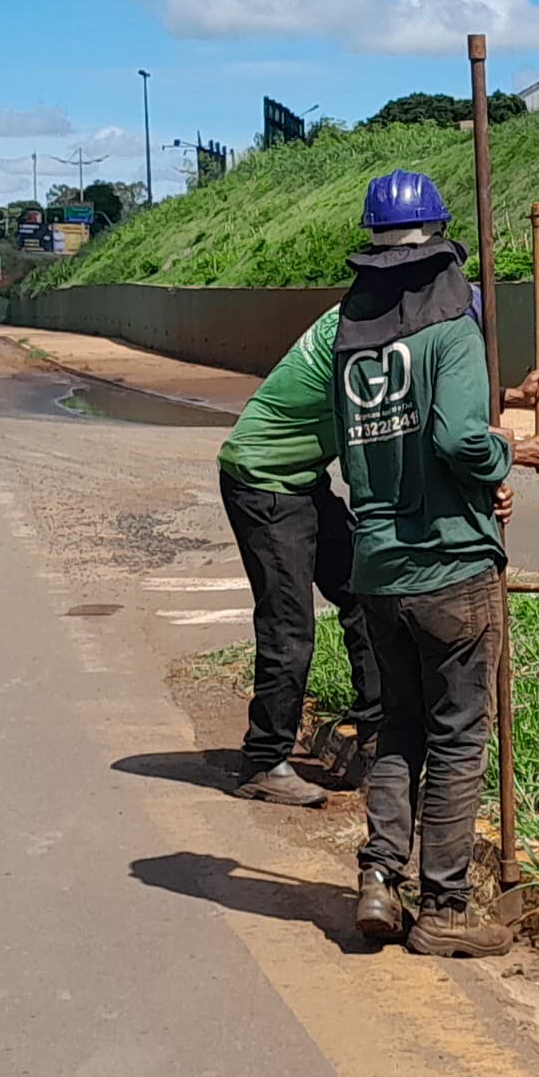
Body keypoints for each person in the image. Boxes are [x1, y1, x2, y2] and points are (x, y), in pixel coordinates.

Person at [335, 169, 539, 957]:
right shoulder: (453, 325)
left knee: (399, 728)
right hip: (450, 568)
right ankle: (448, 905)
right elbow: (458, 439)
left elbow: (392, 436)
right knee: (459, 737)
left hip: (378, 571)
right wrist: (505, 454)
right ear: (440, 242)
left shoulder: (351, 335)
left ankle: (379, 880)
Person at [213, 300, 380, 807]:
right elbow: (398, 427)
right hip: (263, 482)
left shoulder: (366, 316)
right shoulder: (358, 342)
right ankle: (263, 762)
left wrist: (508, 397)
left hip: (303, 478)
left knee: (363, 590)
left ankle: (375, 727)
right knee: (290, 627)